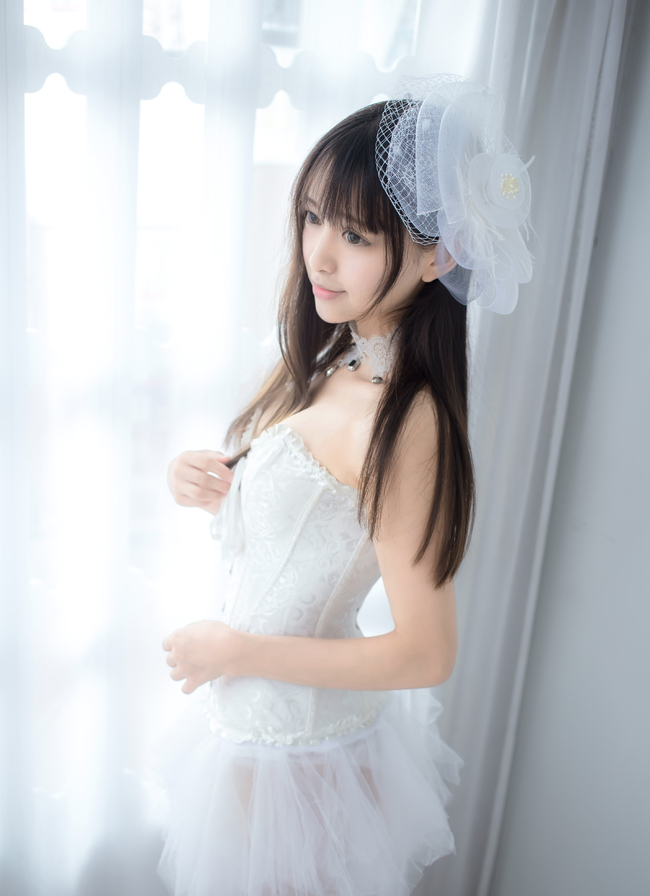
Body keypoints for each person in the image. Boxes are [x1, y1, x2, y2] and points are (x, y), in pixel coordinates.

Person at [157, 74, 533, 896]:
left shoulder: (408, 421)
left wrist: (237, 651)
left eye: (356, 234)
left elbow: (427, 651)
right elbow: (319, 511)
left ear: (438, 254)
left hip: (303, 762)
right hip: (258, 737)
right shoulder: (339, 360)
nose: (319, 254)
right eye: (312, 216)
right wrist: (219, 482)